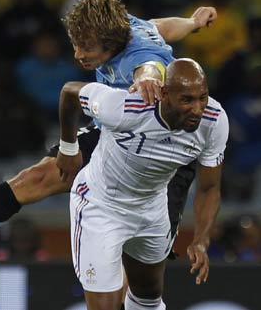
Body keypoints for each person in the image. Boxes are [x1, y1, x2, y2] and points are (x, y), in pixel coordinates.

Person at [0, 0, 217, 275]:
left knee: (138, 271)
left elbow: (151, 65)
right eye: (75, 44)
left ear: (111, 42)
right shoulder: (127, 26)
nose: (77, 54)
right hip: (115, 138)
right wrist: (191, 23)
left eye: (86, 47)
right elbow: (160, 27)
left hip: (160, 158)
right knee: (33, 179)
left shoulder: (142, 58)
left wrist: (147, 79)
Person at [57, 58, 228, 309]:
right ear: (165, 94)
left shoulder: (214, 121)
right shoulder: (124, 107)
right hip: (101, 206)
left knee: (148, 296)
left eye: (202, 97)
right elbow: (69, 92)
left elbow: (209, 187)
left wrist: (201, 240)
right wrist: (68, 147)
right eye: (187, 100)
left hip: (152, 209)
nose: (197, 109)